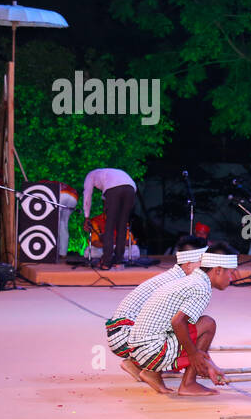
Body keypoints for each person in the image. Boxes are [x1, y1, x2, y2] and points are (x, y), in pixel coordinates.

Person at [127, 242, 239, 396]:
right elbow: (178, 323)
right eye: (231, 273)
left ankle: (153, 372)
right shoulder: (201, 288)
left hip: (138, 351)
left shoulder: (193, 280)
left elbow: (189, 331)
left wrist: (208, 364)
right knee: (208, 324)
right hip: (151, 351)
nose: (232, 278)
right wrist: (194, 355)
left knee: (200, 325)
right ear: (218, 270)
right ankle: (188, 384)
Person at [105, 235, 208, 382]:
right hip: (126, 336)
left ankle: (136, 365)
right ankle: (148, 366)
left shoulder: (174, 276)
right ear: (189, 264)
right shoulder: (183, 283)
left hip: (120, 334)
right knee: (193, 327)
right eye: (202, 263)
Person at [82, 167, 137, 270]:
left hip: (114, 189)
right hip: (131, 188)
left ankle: (106, 262)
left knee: (110, 226)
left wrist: (86, 216)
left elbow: (87, 195)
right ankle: (118, 261)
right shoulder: (110, 174)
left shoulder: (90, 175)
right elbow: (107, 197)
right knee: (122, 225)